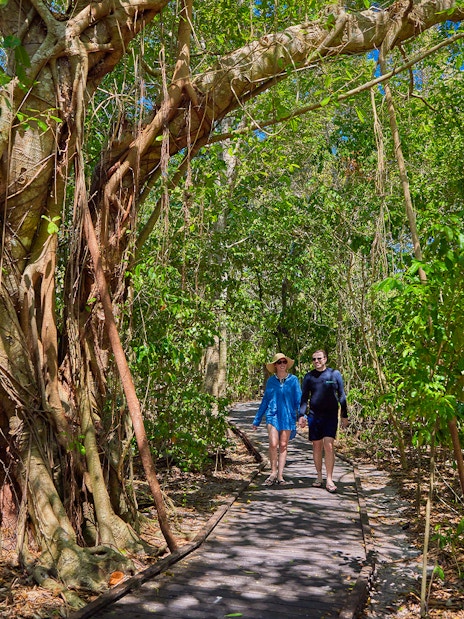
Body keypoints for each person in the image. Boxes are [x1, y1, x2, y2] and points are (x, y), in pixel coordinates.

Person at [298, 349, 348, 493]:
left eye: (319, 359)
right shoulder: (309, 377)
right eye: (314, 359)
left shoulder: (334, 374)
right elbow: (304, 398)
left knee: (329, 445)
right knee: (317, 446)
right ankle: (319, 476)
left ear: (325, 359)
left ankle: (330, 479)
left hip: (331, 416)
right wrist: (301, 415)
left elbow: (342, 395)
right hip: (314, 416)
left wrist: (344, 415)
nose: (316, 362)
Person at [252, 353, 302, 486]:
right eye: (279, 362)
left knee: (283, 445)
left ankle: (280, 475)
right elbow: (265, 401)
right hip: (272, 415)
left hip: (287, 416)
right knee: (274, 444)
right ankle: (272, 472)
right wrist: (257, 420)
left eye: (284, 362)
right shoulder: (271, 381)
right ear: (275, 365)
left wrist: (302, 416)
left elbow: (299, 400)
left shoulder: (293, 380)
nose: (282, 364)